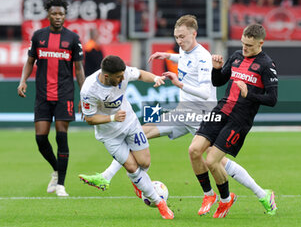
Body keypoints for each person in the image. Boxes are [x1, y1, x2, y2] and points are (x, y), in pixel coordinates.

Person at [79, 16, 276, 218]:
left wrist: (179, 84)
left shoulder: (203, 58)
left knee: (216, 161)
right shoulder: (184, 50)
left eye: (182, 37)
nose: (179, 41)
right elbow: (183, 59)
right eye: (176, 37)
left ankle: (261, 193)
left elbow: (204, 91)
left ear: (194, 34)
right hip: (183, 112)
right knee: (142, 131)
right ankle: (107, 176)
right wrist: (166, 55)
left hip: (201, 112)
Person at [188, 23, 278, 218]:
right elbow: (218, 81)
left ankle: (226, 200)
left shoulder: (266, 65)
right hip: (221, 110)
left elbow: (272, 99)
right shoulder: (236, 56)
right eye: (243, 44)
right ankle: (209, 195)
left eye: (250, 46)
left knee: (213, 160)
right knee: (194, 151)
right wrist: (216, 69)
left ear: (260, 43)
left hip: (239, 120)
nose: (245, 48)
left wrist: (249, 95)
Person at [80, 55, 174, 219]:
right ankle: (160, 203)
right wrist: (112, 118)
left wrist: (155, 78)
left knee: (144, 163)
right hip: (109, 135)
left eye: (123, 75)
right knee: (132, 167)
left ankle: (127, 179)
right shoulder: (89, 89)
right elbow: (89, 118)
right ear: (107, 76)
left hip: (130, 124)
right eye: (119, 77)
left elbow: (140, 74)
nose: (123, 78)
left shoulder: (122, 73)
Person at [17, 0, 85, 197]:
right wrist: (23, 81)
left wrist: (84, 95)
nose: (58, 17)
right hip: (43, 94)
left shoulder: (72, 39)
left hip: (65, 94)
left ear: (65, 16)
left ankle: (61, 185)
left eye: (61, 14)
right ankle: (56, 170)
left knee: (61, 136)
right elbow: (30, 61)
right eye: (54, 13)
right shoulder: (38, 36)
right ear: (48, 14)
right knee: (41, 138)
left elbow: (79, 69)